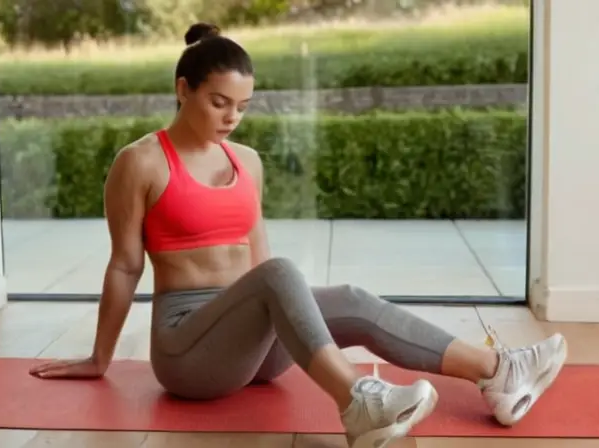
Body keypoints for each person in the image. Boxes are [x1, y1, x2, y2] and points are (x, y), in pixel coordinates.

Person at [28, 22, 568, 448]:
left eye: (243, 106)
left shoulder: (248, 162)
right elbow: (125, 265)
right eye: (219, 102)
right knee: (282, 274)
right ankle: (358, 403)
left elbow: (261, 266)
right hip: (187, 352)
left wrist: (293, 312)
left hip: (252, 348)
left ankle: (499, 374)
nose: (232, 118)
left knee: (350, 299)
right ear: (182, 89)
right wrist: (99, 360)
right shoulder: (141, 162)